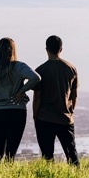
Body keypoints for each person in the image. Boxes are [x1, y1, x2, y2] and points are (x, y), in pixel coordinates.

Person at [33, 35, 80, 166]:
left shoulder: (40, 71)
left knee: (47, 156)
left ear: (46, 49)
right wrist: (71, 111)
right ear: (61, 49)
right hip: (65, 118)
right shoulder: (71, 69)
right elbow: (74, 95)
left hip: (45, 118)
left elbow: (37, 97)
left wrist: (35, 115)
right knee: (71, 153)